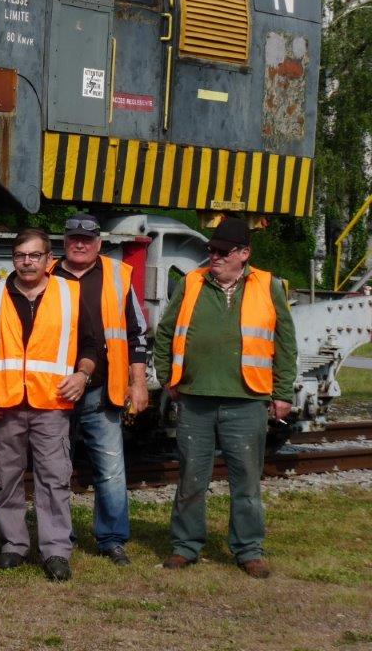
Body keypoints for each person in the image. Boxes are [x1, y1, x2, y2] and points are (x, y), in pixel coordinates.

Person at [153, 217, 296, 578]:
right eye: (211, 250)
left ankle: (249, 550)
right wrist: (169, 376)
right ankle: (185, 546)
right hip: (195, 400)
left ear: (244, 254)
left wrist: (282, 393)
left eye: (222, 251)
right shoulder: (191, 282)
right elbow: (166, 331)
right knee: (190, 479)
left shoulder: (269, 286)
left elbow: (284, 343)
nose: (213, 256)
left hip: (247, 399)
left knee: (246, 482)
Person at [0, 228, 98, 582]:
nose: (27, 262)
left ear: (48, 259)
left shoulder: (70, 294)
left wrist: (82, 376)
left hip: (52, 402)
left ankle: (56, 551)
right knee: (6, 478)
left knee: (54, 479)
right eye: (20, 255)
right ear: (13, 258)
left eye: (34, 256)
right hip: (5, 403)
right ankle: (13, 545)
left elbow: (91, 346)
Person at [51, 214, 149, 565]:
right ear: (64, 241)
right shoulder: (46, 274)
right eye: (74, 238)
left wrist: (138, 383)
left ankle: (111, 538)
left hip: (102, 391)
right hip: (54, 391)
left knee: (110, 469)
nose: (80, 244)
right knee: (55, 469)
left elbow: (136, 336)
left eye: (87, 239)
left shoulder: (118, 276)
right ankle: (59, 538)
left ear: (99, 244)